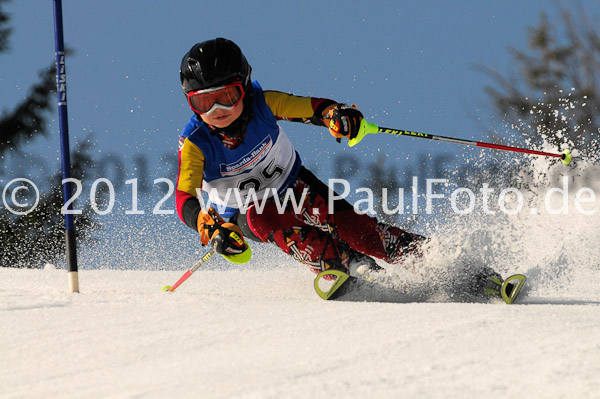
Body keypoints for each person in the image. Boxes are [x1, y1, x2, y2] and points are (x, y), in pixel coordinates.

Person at [175, 37, 506, 297]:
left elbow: (315, 108)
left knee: (359, 231)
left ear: (244, 87)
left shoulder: (265, 104)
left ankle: (459, 270)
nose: (217, 109)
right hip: (244, 216)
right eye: (203, 102)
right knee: (261, 215)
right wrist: (207, 225)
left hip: (295, 186)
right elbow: (184, 196)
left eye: (228, 96)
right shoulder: (196, 142)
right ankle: (342, 266)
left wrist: (338, 117)